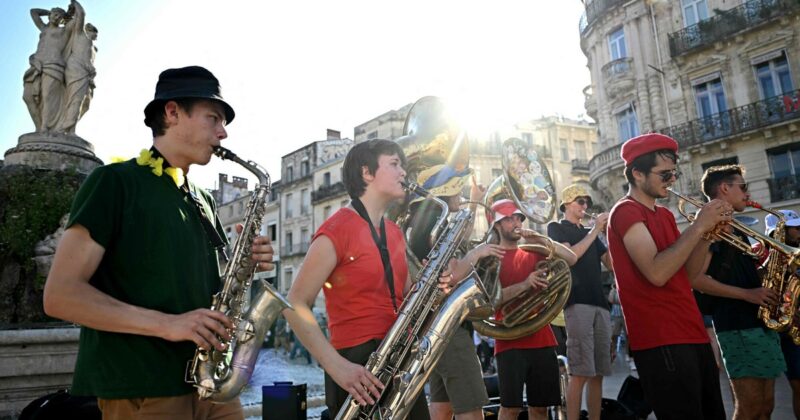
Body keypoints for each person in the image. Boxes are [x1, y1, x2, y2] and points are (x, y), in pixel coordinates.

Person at [42, 66, 275, 419]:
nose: (223, 132)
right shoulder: (114, 183)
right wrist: (168, 324)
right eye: (213, 118)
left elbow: (194, 284)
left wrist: (244, 264)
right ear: (172, 112)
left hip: (212, 383)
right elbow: (60, 296)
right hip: (145, 387)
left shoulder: (203, 199)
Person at [282, 139, 430, 418]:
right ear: (367, 173)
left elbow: (409, 297)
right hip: (357, 365)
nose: (404, 173)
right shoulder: (336, 229)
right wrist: (336, 367)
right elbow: (295, 303)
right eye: (395, 164)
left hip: (400, 359)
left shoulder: (394, 232)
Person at [606, 132, 730, 419]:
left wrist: (707, 237)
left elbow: (686, 273)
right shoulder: (625, 212)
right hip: (660, 337)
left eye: (673, 173)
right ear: (637, 173)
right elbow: (657, 272)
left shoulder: (663, 215)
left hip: (691, 331)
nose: (671, 180)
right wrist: (698, 227)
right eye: (664, 174)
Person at [405, 164, 503, 420]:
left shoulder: (425, 226)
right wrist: (478, 252)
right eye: (457, 190)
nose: (461, 195)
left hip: (435, 329)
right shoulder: (429, 229)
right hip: (450, 331)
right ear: (444, 192)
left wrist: (474, 204)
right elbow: (449, 275)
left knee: (441, 408)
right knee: (470, 410)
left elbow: (459, 237)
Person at [691, 164, 785, 420]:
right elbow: (696, 279)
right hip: (737, 326)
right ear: (724, 188)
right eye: (743, 187)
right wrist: (749, 294)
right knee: (749, 407)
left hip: (759, 323)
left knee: (766, 406)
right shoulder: (714, 228)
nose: (747, 193)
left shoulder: (737, 228)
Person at [489, 199, 577, 420]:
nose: (516, 222)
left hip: (542, 338)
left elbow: (571, 258)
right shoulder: (490, 260)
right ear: (497, 225)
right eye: (509, 219)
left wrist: (542, 239)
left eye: (518, 217)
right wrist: (526, 284)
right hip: (508, 341)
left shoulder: (535, 249)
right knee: (510, 408)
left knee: (540, 407)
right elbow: (490, 303)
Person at [547, 184, 613, 420]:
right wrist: (594, 231)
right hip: (578, 303)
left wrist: (607, 234)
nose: (585, 206)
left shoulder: (591, 233)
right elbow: (571, 257)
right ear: (566, 205)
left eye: (586, 202)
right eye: (580, 201)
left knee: (598, 374)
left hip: (601, 305)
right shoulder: (556, 228)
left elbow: (612, 265)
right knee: (580, 372)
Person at [756, 209, 800, 418]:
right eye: (796, 229)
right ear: (779, 231)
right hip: (781, 327)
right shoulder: (760, 253)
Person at [23, 0, 83, 132]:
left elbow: (80, 17)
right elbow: (33, 12)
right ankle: (39, 127)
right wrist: (49, 12)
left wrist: (72, 7)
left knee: (47, 96)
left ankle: (45, 128)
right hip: (36, 64)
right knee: (28, 97)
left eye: (59, 17)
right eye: (55, 15)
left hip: (54, 65)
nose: (57, 18)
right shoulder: (43, 28)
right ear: (50, 15)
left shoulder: (64, 31)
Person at [58, 21, 98, 134]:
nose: (96, 37)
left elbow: (89, 60)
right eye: (95, 34)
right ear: (90, 31)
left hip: (86, 75)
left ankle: (71, 128)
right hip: (76, 71)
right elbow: (84, 59)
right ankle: (64, 128)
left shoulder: (92, 46)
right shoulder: (81, 38)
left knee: (85, 104)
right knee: (75, 100)